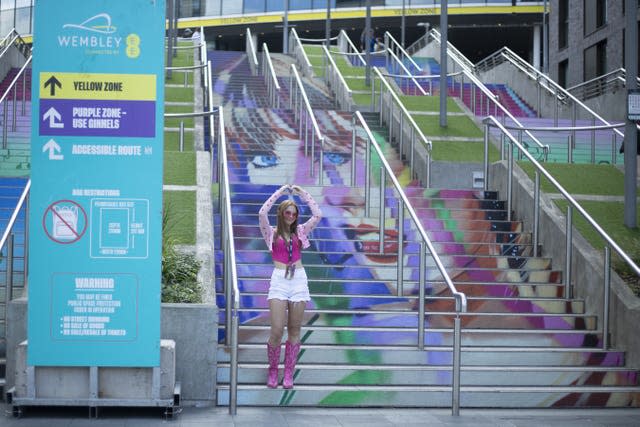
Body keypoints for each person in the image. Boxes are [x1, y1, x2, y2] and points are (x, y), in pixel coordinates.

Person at [258, 184, 322, 389]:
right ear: (281, 213)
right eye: (287, 212)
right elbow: (262, 212)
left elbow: (317, 214)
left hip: (299, 281)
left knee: (295, 328)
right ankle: (273, 369)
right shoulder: (271, 233)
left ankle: (288, 373)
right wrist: (280, 193)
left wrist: (302, 193)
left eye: (294, 214)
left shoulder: (301, 231)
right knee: (277, 329)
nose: (291, 216)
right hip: (279, 280)